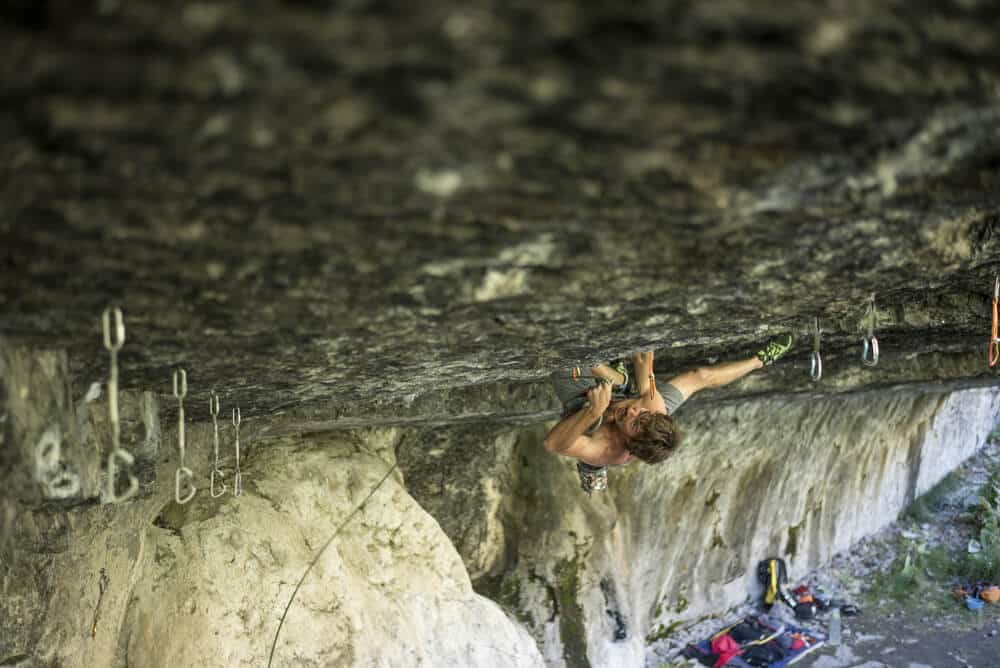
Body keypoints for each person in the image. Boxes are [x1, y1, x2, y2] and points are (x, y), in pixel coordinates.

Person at [543, 335, 793, 493]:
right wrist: (644, 363)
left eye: (635, 422)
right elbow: (656, 372)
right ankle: (761, 360)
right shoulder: (652, 409)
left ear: (629, 442)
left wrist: (592, 412)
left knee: (568, 359)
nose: (633, 411)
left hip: (586, 410)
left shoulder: (606, 450)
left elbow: (554, 444)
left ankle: (594, 476)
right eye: (642, 413)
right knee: (699, 377)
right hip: (619, 395)